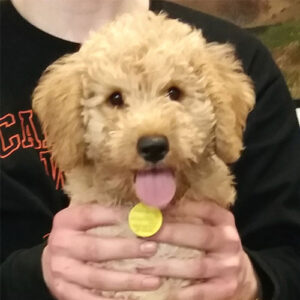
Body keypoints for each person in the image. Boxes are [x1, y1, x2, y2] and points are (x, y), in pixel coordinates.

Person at [1, 0, 300, 299]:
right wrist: (32, 276)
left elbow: (290, 260)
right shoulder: (61, 85)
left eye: (174, 92)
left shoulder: (247, 58)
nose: (151, 134)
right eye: (115, 99)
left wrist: (252, 279)